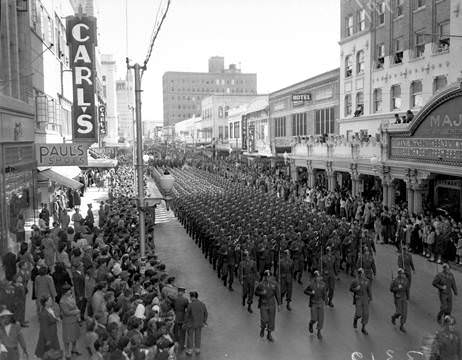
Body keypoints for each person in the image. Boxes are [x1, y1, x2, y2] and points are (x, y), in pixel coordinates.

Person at [255, 270, 281, 342]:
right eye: (266, 276)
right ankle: (262, 328)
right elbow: (256, 292)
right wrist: (261, 293)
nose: (268, 278)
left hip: (272, 304)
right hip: (263, 304)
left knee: (271, 320)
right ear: (264, 277)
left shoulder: (274, 284)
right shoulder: (261, 284)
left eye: (269, 276)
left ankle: (269, 335)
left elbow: (277, 294)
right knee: (264, 319)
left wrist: (279, 304)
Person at [59, 284, 81, 359]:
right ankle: (67, 352)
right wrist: (76, 311)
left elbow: (75, 305)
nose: (70, 291)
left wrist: (77, 313)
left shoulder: (71, 297)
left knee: (75, 336)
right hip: (68, 322)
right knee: (67, 338)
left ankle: (74, 349)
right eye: (69, 290)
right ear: (65, 292)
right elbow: (66, 312)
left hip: (74, 320)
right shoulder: (62, 301)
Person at [304, 270, 327, 340]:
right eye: (317, 277)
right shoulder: (311, 285)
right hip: (314, 303)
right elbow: (305, 291)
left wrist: (326, 300)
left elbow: (324, 293)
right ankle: (311, 324)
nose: (319, 278)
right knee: (314, 318)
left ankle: (319, 332)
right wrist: (311, 293)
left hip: (320, 303)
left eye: (320, 276)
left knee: (321, 319)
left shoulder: (323, 284)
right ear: (315, 277)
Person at [184, 291, 208, 356]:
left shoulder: (190, 305)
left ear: (192, 297)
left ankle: (190, 351)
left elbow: (187, 315)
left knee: (190, 337)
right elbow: (206, 313)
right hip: (199, 324)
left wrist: (185, 323)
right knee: (198, 336)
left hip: (191, 324)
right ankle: (197, 350)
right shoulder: (202, 304)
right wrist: (204, 321)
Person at [350, 268, 372, 335]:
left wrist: (370, 297)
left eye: (362, 273)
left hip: (365, 298)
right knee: (359, 314)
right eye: (359, 273)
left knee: (366, 314)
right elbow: (350, 289)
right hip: (358, 298)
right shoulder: (355, 281)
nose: (361, 274)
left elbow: (369, 290)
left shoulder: (367, 281)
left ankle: (363, 328)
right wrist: (355, 289)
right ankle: (355, 320)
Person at [390, 268, 409, 333]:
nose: (403, 274)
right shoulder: (395, 280)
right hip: (398, 297)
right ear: (399, 273)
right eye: (401, 273)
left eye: (403, 273)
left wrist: (408, 297)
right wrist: (398, 288)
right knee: (399, 312)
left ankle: (402, 325)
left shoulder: (406, 280)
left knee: (404, 313)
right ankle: (394, 317)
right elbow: (391, 289)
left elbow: (407, 289)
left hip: (404, 297)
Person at [172, 287, 189, 352]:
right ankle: (182, 345)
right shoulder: (185, 300)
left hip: (176, 315)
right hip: (182, 316)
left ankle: (176, 344)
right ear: (182, 292)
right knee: (183, 332)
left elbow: (172, 306)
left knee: (176, 331)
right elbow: (187, 308)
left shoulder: (174, 299)